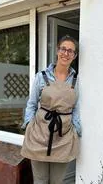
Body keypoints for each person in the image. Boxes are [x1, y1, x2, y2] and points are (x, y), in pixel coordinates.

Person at [21, 35, 81, 184]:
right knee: (40, 180)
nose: (66, 53)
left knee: (57, 181)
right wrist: (29, 125)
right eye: (63, 49)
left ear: (75, 55)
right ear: (57, 50)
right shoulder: (41, 77)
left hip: (64, 136)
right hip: (39, 135)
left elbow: (76, 108)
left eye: (70, 51)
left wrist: (76, 130)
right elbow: (32, 104)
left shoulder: (76, 80)